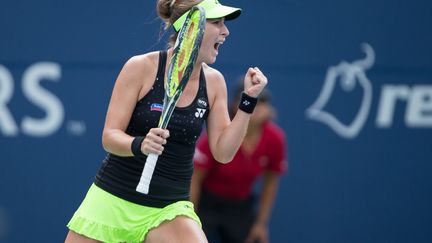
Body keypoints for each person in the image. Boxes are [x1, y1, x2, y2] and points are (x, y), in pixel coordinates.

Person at [64, 0, 268, 242]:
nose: (226, 31)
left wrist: (248, 102)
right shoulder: (140, 67)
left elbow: (223, 153)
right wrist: (140, 144)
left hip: (169, 210)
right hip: (112, 198)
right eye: (217, 23)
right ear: (190, 27)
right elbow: (109, 137)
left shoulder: (214, 83)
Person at [190, 85, 287, 243]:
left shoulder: (275, 139)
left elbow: (270, 183)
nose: (258, 106)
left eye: (262, 102)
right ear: (237, 105)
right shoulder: (218, 134)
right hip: (206, 204)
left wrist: (261, 223)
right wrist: (191, 218)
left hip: (240, 206)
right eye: (254, 101)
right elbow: (194, 179)